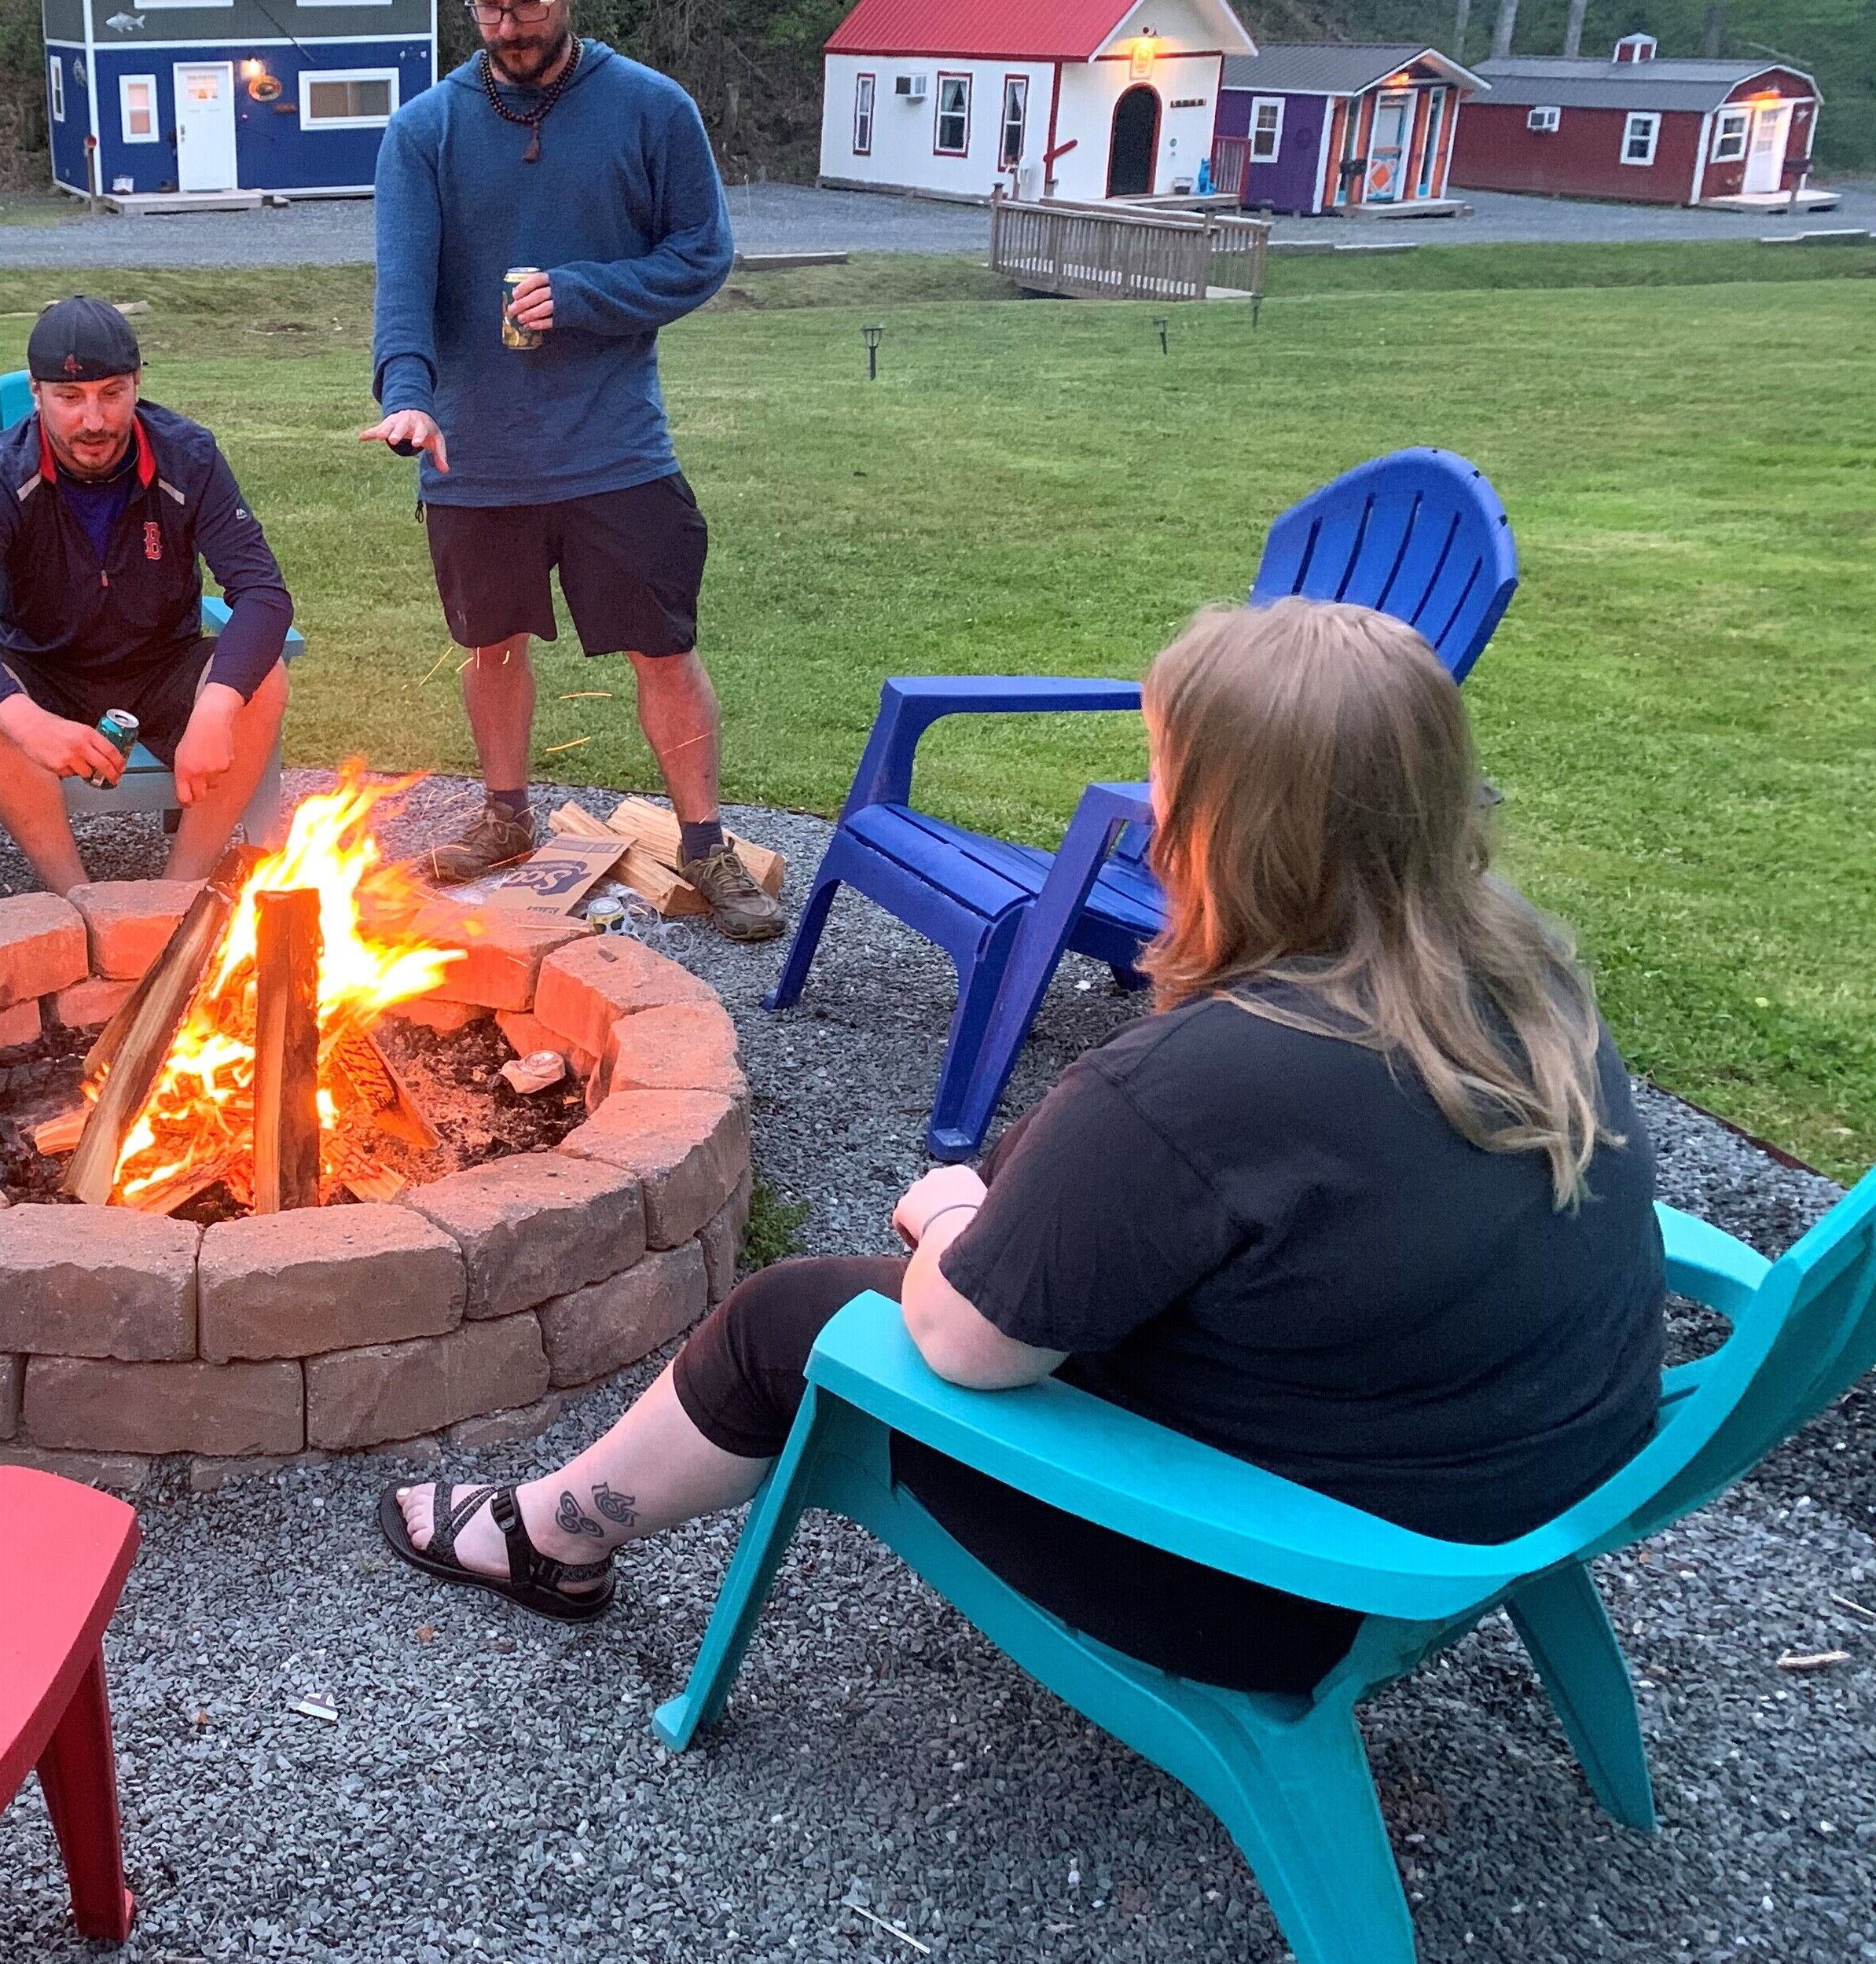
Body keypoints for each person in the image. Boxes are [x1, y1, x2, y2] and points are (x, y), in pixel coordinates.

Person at [381, 599, 1665, 1695]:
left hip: (1276, 1586)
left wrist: (947, 1225)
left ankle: (547, 1534)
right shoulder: (1521, 975)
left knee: (798, 1316)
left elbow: (962, 1348)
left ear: (1222, 822)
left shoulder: (1196, 1083)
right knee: (1022, 1202)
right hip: (1513, 1508)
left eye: (1167, 773)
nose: (1148, 807)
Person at [359, 0, 776, 941]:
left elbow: (701, 255)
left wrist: (583, 296)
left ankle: (704, 844)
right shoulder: (425, 132)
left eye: (528, 4)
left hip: (613, 446)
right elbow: (402, 290)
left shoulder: (651, 111)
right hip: (476, 455)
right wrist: (407, 398)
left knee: (663, 648)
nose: (506, 27)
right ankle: (505, 818)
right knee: (492, 644)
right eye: (488, 5)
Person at [0, 296, 293, 891]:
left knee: (263, 681)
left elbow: (262, 592)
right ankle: (75, 901)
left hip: (161, 666)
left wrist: (216, 707)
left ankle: (178, 894)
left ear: (137, 385)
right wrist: (29, 723)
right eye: (70, 398)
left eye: (112, 394)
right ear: (37, 394)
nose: (93, 421)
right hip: (43, 672)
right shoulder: (4, 474)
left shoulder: (188, 458)